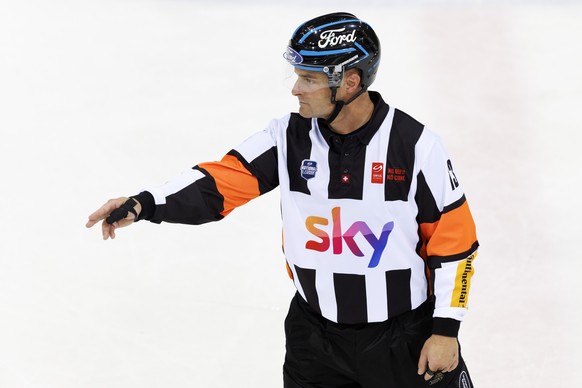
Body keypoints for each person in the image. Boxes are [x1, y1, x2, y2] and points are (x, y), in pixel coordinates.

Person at [86, 12, 478, 388]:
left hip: (403, 341)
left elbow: (456, 243)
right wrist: (144, 204)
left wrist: (446, 330)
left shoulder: (415, 147)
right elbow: (218, 184)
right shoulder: (286, 138)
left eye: (308, 79)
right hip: (315, 340)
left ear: (350, 82)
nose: (296, 89)